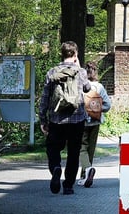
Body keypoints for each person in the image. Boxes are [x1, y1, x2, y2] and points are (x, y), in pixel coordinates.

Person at [38, 40, 91, 195]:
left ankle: (55, 168)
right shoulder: (81, 72)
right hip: (77, 118)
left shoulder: (52, 72)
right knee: (74, 152)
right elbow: (87, 88)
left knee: (53, 148)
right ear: (75, 54)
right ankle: (68, 186)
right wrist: (79, 66)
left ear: (61, 54)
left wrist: (43, 119)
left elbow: (45, 97)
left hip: (56, 119)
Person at [77, 60, 111, 187]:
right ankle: (85, 175)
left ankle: (87, 171)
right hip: (96, 121)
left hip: (82, 120)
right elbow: (107, 105)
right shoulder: (100, 87)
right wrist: (97, 109)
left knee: (82, 147)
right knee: (91, 149)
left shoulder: (80, 86)